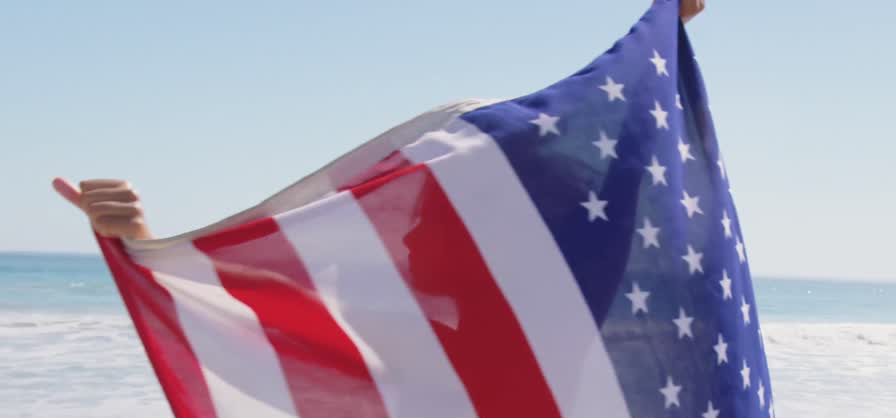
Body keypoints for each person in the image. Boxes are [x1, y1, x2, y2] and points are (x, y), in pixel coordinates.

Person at [50, 0, 707, 241]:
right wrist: (141, 243)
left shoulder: (584, 348)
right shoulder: (392, 332)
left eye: (433, 201)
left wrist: (658, 53)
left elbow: (633, 216)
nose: (409, 223)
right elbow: (239, 332)